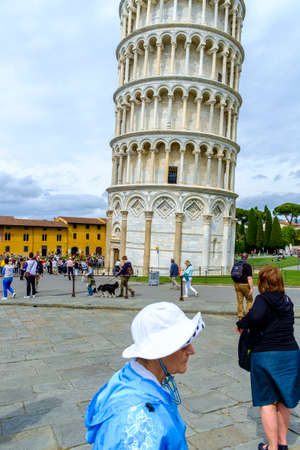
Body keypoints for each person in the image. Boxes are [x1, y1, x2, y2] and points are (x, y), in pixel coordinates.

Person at [85, 302, 205, 449]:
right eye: (184, 344)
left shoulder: (129, 377)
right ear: (159, 351)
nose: (192, 350)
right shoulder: (140, 422)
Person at [236, 266, 300, 450]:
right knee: (284, 400)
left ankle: (271, 447)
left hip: (266, 355)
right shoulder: (287, 301)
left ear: (262, 282)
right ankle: (282, 443)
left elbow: (255, 316)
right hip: (290, 354)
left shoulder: (262, 299)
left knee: (268, 401)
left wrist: (240, 324)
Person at [233, 252, 254, 319]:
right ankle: (248, 316)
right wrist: (251, 288)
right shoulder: (247, 266)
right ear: (247, 258)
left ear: (241, 257)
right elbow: (249, 278)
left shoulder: (236, 264)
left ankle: (240, 316)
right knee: (249, 300)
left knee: (240, 301)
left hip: (236, 284)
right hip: (244, 284)